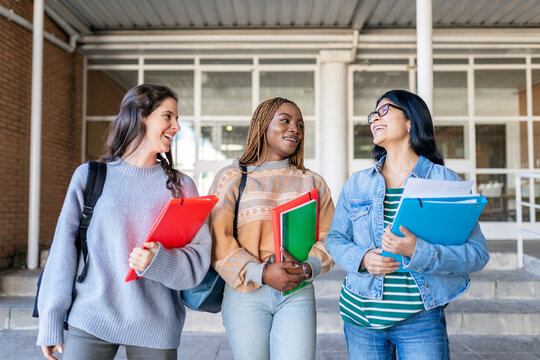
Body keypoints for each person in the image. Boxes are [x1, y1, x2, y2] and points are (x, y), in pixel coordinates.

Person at [36, 84, 211, 360]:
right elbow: (63, 253)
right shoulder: (90, 177)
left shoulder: (181, 186)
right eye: (168, 116)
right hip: (91, 317)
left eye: (177, 119)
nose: (176, 126)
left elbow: (198, 261)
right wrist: (50, 320)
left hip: (156, 324)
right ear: (140, 115)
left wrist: (158, 261)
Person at [325, 89, 490, 360]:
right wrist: (363, 257)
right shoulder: (358, 183)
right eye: (372, 115)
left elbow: (477, 255)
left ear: (411, 121)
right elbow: (336, 239)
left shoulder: (444, 181)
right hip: (360, 319)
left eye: (384, 111)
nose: (374, 119)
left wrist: (417, 250)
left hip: (420, 321)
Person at [208, 97, 335, 360]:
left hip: (297, 290)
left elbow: (331, 236)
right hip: (246, 292)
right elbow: (218, 239)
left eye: (300, 125)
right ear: (263, 125)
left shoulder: (312, 182)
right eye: (285, 121)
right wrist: (262, 272)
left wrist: (308, 266)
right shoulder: (231, 178)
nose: (295, 129)